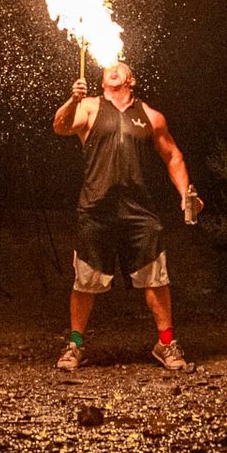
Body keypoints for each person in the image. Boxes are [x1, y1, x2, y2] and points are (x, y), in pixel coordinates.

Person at [51, 60, 201, 371]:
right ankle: (75, 345)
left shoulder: (150, 116)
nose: (112, 67)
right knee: (85, 282)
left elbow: (173, 155)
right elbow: (60, 126)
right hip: (96, 208)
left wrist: (187, 191)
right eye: (108, 67)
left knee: (156, 279)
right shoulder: (90, 107)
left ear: (130, 78)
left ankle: (166, 344)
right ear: (103, 81)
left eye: (120, 65)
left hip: (139, 212)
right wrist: (72, 100)